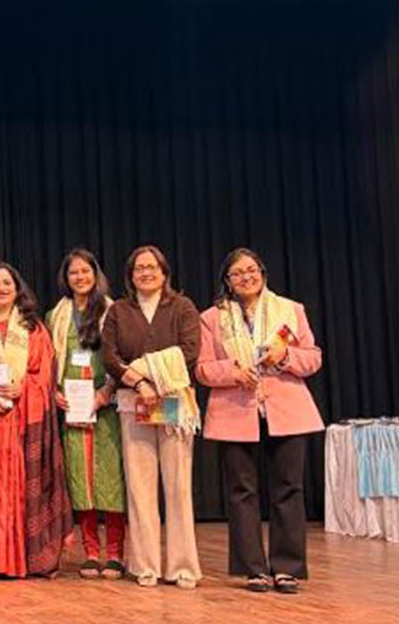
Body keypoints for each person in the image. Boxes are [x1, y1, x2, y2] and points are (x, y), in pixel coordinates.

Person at [197, 248, 324, 593]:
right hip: (236, 411)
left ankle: (287, 567)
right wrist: (233, 372)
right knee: (241, 492)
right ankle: (253, 568)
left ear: (263, 273)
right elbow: (203, 368)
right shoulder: (212, 317)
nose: (245, 277)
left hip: (286, 410)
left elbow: (313, 359)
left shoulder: (290, 310)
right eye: (237, 273)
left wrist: (285, 357)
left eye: (251, 270)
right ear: (227, 280)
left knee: (288, 489)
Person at [0, 262, 71, 578]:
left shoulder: (33, 327)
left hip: (22, 417)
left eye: (6, 283)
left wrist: (24, 388)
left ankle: (25, 558)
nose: (1, 289)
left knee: (22, 485)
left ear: (17, 287)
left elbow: (43, 375)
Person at [101, 245, 203, 589]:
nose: (146, 273)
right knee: (140, 487)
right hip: (134, 401)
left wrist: (151, 376)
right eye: (139, 268)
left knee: (177, 487)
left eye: (152, 267)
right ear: (130, 275)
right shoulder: (118, 310)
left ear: (164, 272)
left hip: (174, 402)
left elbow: (190, 353)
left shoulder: (182, 306)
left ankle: (183, 567)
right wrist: (139, 382)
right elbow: (110, 356)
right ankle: (145, 565)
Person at [44, 249, 126, 578]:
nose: (80, 277)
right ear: (66, 278)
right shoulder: (56, 315)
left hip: (104, 404)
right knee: (80, 481)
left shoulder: (113, 311)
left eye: (85, 271)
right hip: (71, 407)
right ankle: (91, 552)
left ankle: (116, 554)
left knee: (110, 480)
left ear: (96, 274)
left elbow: (120, 355)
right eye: (73, 273)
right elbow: (48, 361)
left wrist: (105, 393)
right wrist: (54, 391)